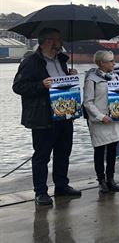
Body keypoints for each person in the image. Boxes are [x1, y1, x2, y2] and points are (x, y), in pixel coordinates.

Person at [12, 28, 81, 206]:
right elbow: (18, 87)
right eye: (59, 39)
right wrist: (41, 85)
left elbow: (62, 85)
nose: (62, 42)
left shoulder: (62, 60)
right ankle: (41, 192)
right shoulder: (31, 62)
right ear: (49, 41)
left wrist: (70, 76)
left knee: (63, 152)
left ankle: (61, 186)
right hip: (43, 117)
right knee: (42, 155)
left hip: (65, 114)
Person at [83, 50, 119, 193]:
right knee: (99, 151)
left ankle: (111, 178)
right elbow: (88, 102)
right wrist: (100, 116)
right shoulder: (91, 79)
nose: (114, 63)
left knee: (112, 151)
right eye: (111, 61)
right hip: (100, 121)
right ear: (102, 63)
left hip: (114, 119)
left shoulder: (115, 77)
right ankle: (101, 181)